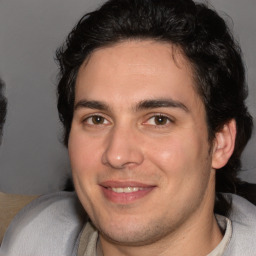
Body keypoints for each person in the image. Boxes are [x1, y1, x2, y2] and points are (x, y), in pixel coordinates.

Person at [1, 0, 255, 255]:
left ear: (220, 142)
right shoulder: (30, 238)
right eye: (97, 119)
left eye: (158, 120)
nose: (117, 155)